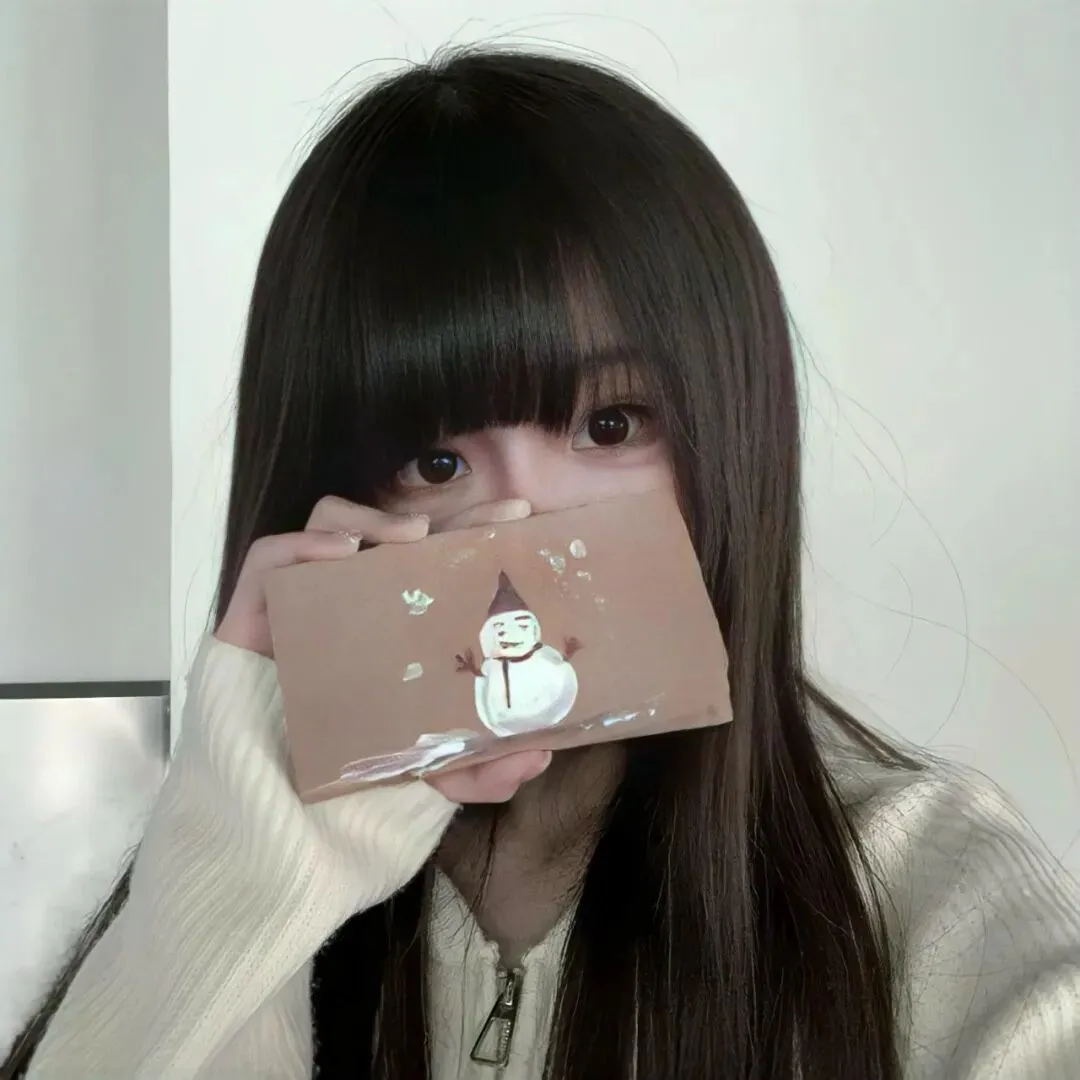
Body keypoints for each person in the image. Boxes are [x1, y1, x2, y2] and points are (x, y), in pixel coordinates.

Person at [6, 47, 1078, 1080]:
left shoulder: (927, 883)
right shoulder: (232, 853)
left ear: (731, 434)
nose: (518, 520)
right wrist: (253, 857)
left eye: (611, 425)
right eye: (434, 462)